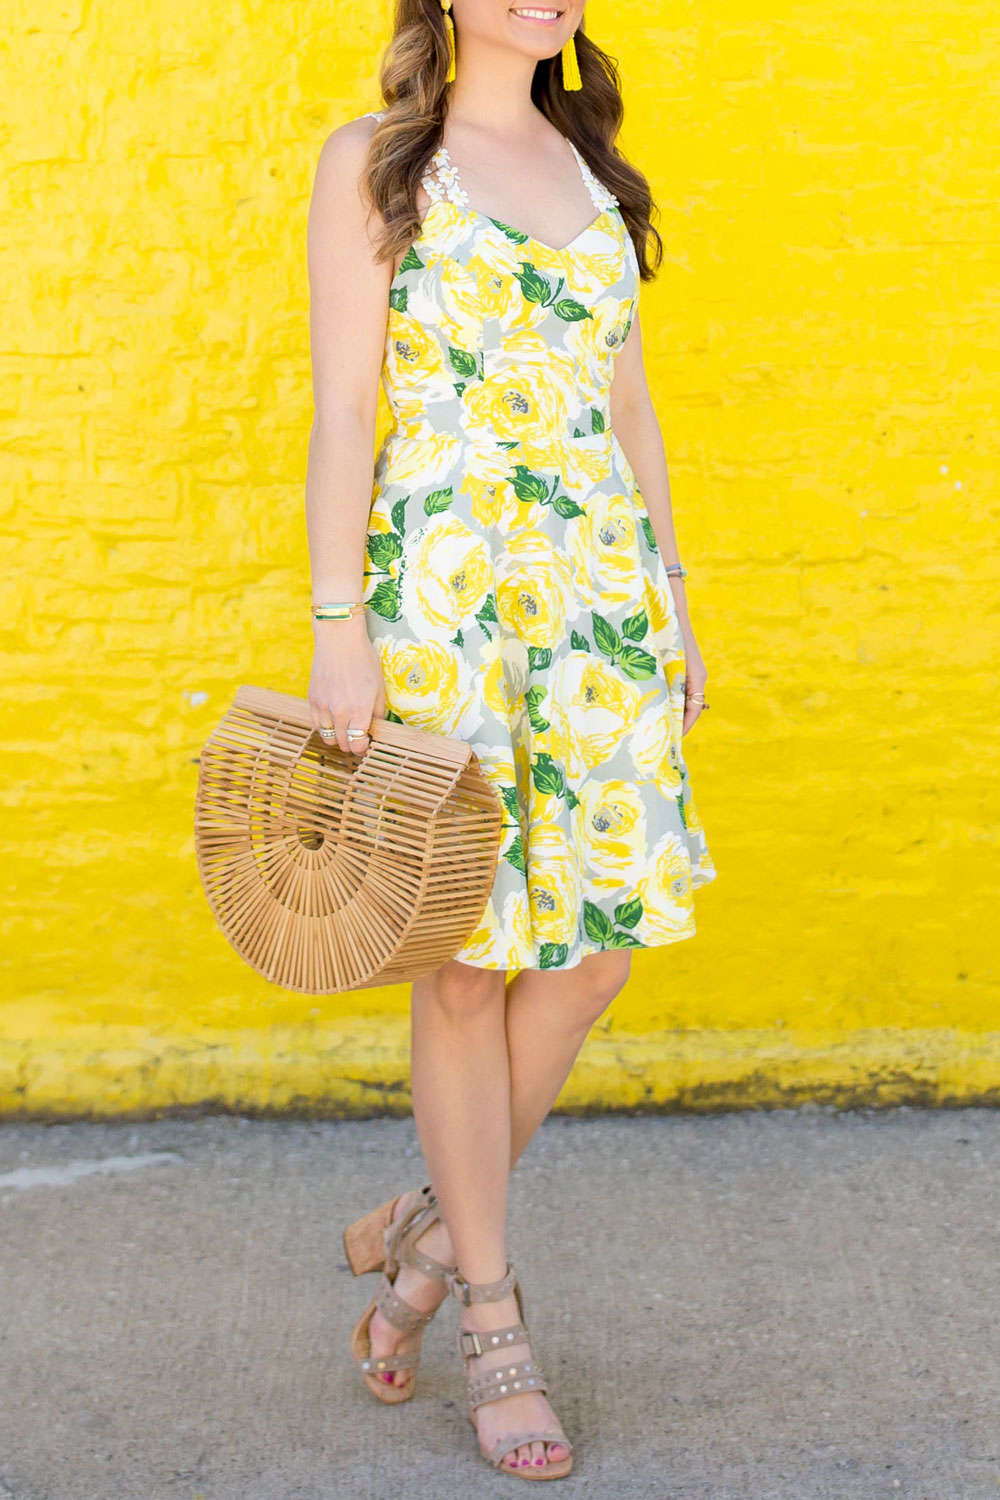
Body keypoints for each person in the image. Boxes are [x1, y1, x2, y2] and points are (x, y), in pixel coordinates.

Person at [304, 0, 717, 1480]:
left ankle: (422, 1226)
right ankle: (485, 1309)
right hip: (446, 605)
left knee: (593, 951)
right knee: (469, 966)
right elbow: (347, 406)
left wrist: (670, 596)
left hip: (596, 608)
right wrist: (336, 622)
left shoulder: (597, 170)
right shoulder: (378, 164)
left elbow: (627, 400)